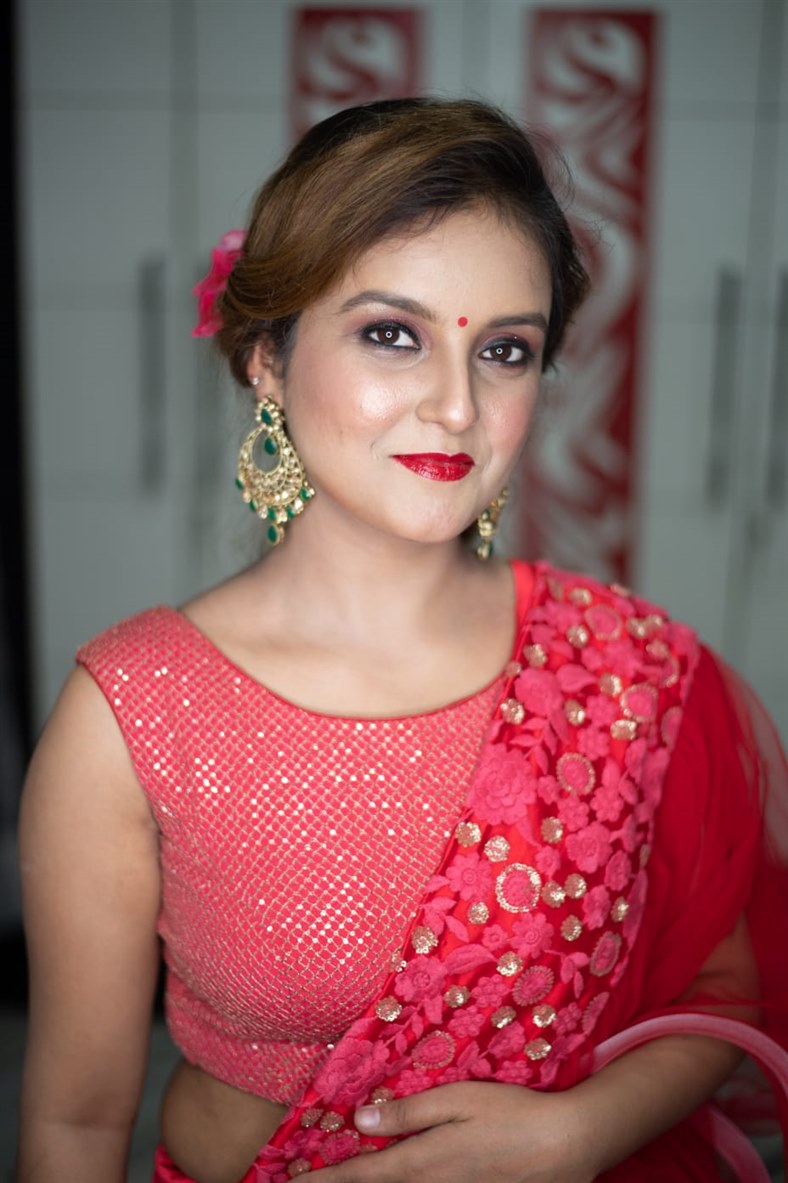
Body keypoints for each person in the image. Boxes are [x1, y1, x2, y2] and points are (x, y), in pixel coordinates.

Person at [16, 98, 788, 1183]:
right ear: (267, 356)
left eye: (505, 350)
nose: (456, 405)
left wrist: (581, 1131)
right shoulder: (136, 711)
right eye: (392, 334)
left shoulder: (628, 671)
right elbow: (75, 1126)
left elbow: (723, 986)